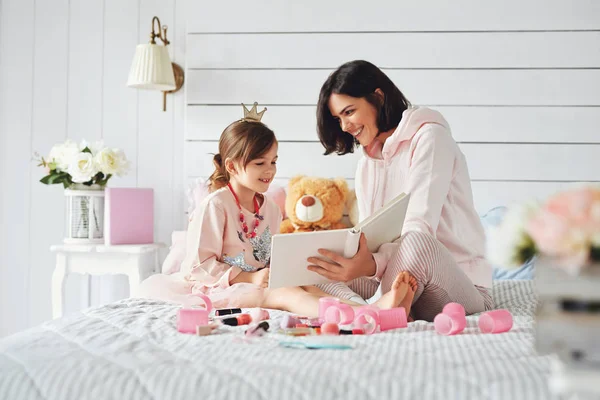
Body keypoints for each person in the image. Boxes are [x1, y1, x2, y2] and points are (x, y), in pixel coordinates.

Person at [138, 103, 417, 317]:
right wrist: (250, 277)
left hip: (258, 280)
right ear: (233, 166)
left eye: (273, 161)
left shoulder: (270, 208)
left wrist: (280, 268)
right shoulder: (216, 205)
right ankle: (370, 314)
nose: (270, 170)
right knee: (285, 294)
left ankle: (371, 309)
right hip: (219, 287)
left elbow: (268, 257)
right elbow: (199, 267)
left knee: (309, 286)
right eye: (260, 163)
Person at [308, 60, 494, 321]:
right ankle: (368, 309)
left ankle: (378, 308)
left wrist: (372, 264)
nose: (344, 126)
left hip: (457, 286)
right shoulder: (366, 163)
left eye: (349, 112)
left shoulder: (430, 137)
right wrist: (360, 261)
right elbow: (373, 237)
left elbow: (419, 227)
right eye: (338, 118)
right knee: (316, 268)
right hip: (396, 280)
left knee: (417, 241)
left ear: (378, 97)